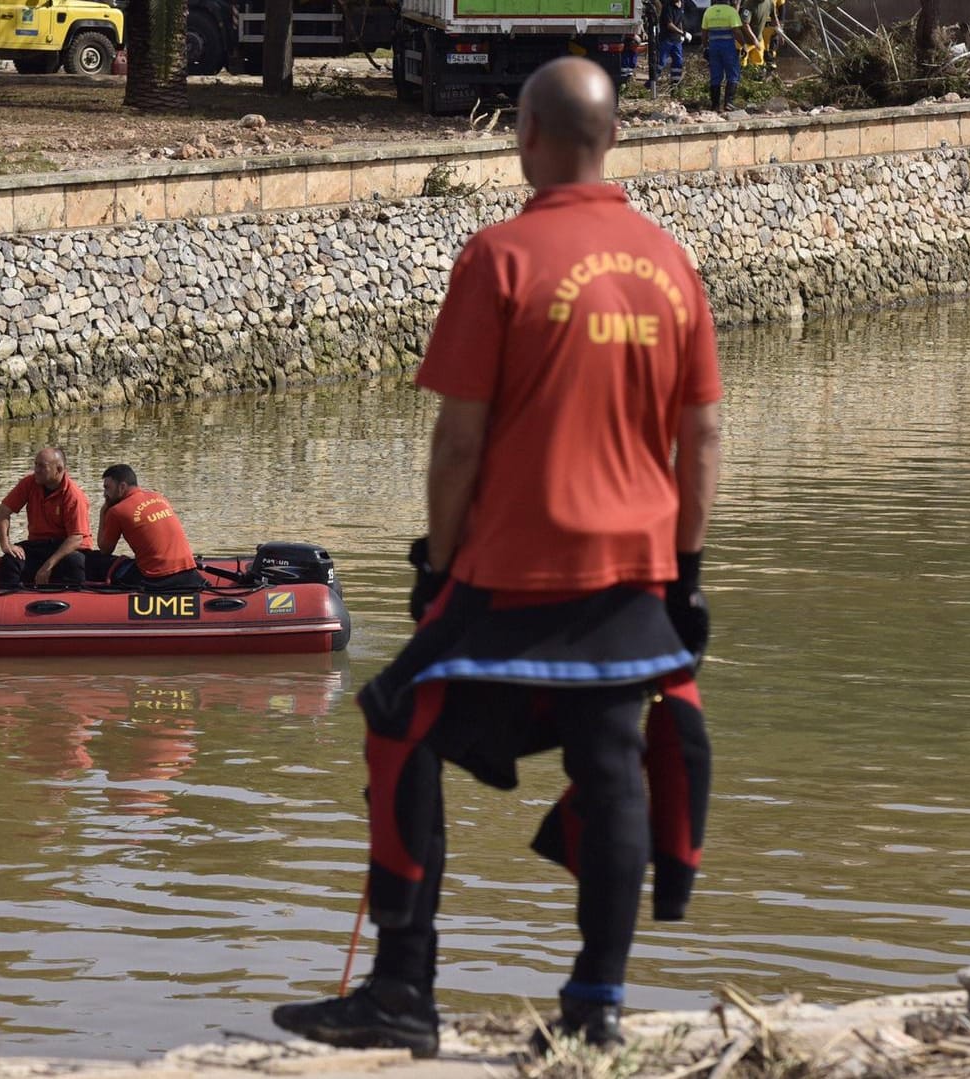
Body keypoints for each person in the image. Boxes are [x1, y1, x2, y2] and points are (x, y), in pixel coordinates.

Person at [271, 57, 720, 1059]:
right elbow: (704, 440)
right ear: (611, 140)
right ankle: (596, 1006)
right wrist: (685, 577)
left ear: (525, 135)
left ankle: (401, 988)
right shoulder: (670, 263)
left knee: (397, 720)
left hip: (511, 571)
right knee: (611, 768)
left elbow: (458, 441)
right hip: (634, 580)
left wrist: (436, 561)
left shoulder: (502, 256)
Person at [87, 464, 208, 592]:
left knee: (95, 560)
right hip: (188, 568)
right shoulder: (159, 497)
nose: (105, 494)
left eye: (107, 488)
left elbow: (105, 550)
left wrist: (103, 512)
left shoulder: (117, 511)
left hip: (156, 578)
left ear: (122, 487)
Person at [0, 446, 92, 587]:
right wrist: (6, 545)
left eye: (42, 466)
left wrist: (48, 566)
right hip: (39, 545)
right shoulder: (29, 483)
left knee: (74, 562)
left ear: (58, 469)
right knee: (11, 560)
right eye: (35, 465)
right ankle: (7, 600)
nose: (36, 470)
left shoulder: (74, 496)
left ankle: (75, 601)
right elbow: (3, 511)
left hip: (66, 548)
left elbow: (76, 538)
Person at [700, 0, 756, 113]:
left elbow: (704, 32)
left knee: (715, 76)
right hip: (728, 47)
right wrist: (744, 45)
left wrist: (705, 47)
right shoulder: (731, 11)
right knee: (733, 74)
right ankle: (728, 103)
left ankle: (715, 105)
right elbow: (736, 31)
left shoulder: (708, 11)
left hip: (714, 47)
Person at [658, 0, 687, 85]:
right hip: (666, 39)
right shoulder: (667, 7)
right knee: (661, 62)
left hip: (676, 40)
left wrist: (681, 33)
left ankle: (675, 85)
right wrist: (682, 33)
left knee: (678, 62)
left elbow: (679, 21)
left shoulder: (682, 5)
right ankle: (651, 83)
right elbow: (669, 24)